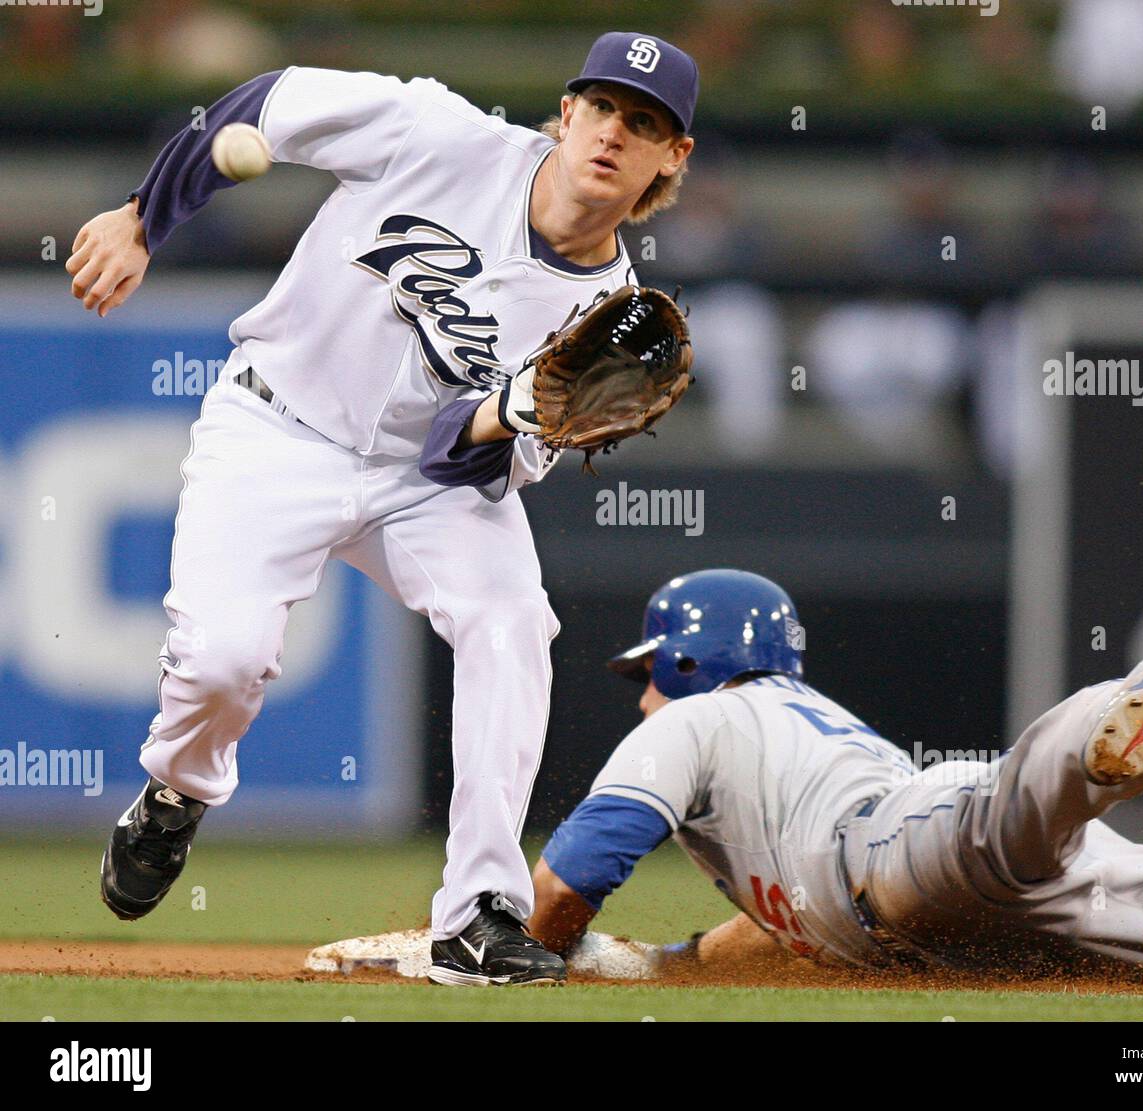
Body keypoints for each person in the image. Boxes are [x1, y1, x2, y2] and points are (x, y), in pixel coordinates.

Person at [65, 31, 698, 987]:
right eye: (603, 106)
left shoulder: (609, 319)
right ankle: (177, 790)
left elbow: (464, 464)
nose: (616, 131)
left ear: (672, 156)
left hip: (423, 484)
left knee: (512, 619)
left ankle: (480, 914)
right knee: (225, 665)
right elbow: (267, 106)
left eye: (644, 122)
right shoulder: (436, 133)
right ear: (567, 112)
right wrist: (144, 217)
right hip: (277, 425)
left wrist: (512, 410)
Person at [528, 569, 1143, 979]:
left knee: (1014, 801)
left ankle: (1133, 701)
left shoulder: (696, 717)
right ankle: (1125, 713)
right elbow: (786, 924)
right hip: (956, 902)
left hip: (895, 844)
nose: (645, 699)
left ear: (687, 662)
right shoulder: (793, 734)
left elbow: (573, 879)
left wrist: (522, 949)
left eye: (648, 675)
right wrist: (670, 964)